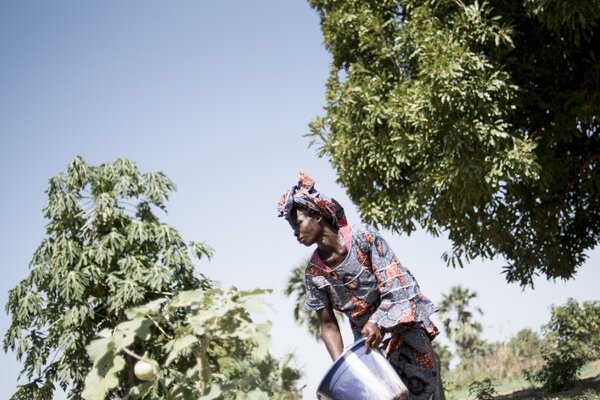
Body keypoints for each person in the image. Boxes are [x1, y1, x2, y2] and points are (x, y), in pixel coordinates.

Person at [278, 172, 442, 400]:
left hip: (404, 330)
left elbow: (396, 284)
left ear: (316, 216)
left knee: (426, 393)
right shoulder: (314, 275)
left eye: (298, 224)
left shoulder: (363, 238)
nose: (295, 233)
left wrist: (377, 321)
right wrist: (346, 369)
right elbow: (328, 326)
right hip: (369, 348)